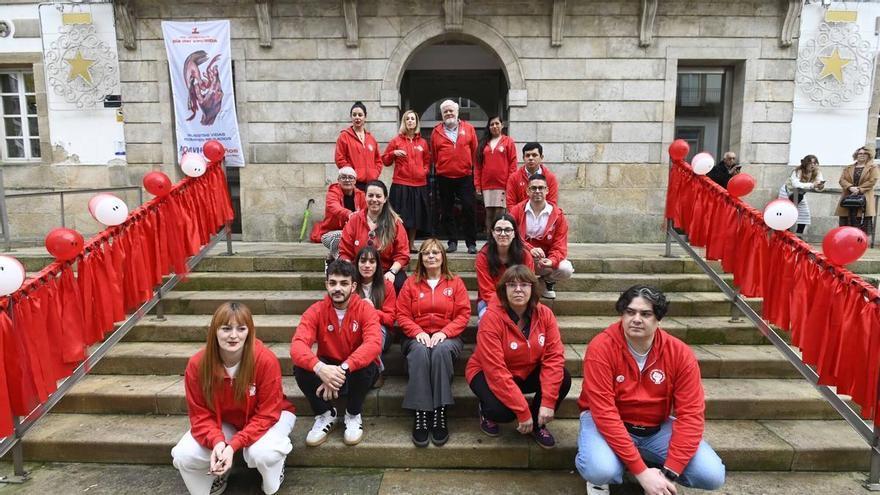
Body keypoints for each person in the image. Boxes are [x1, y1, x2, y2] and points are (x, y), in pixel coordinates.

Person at [576, 285, 726, 495]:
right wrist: (641, 473)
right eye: (630, 312)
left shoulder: (680, 353)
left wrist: (668, 474)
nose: (636, 319)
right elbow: (604, 412)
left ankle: (648, 465)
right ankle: (606, 477)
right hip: (608, 421)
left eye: (645, 314)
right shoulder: (601, 347)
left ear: (659, 319)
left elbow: (691, 415)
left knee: (711, 474)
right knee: (599, 469)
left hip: (656, 426)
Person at [172, 302, 296, 495]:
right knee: (183, 455)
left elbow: (267, 414)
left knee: (264, 454)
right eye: (226, 328)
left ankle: (276, 468)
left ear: (249, 331)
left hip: (271, 418)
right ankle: (219, 475)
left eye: (241, 328)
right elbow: (200, 415)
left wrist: (235, 445)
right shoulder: (198, 364)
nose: (233, 335)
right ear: (215, 331)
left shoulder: (265, 360)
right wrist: (219, 443)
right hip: (225, 422)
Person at [466, 265, 571, 449]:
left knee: (564, 377)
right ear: (503, 290)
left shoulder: (544, 314)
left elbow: (554, 357)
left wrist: (548, 401)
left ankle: (538, 424)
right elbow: (495, 369)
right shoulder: (492, 318)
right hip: (487, 373)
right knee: (504, 413)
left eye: (524, 284)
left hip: (526, 371)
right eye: (511, 285)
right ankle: (486, 410)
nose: (518, 290)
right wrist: (522, 411)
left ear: (533, 288)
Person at [290, 260, 382, 447]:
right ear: (326, 284)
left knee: (368, 365)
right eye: (332, 283)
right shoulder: (315, 311)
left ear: (354, 286)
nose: (337, 288)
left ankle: (353, 414)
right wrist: (320, 368)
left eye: (343, 283)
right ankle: (325, 414)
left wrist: (341, 370)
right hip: (328, 368)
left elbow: (373, 344)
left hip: (355, 371)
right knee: (300, 368)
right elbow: (297, 345)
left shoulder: (365, 309)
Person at [396, 238, 470, 447]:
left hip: (448, 337)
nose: (431, 256)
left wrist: (445, 333)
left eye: (435, 253)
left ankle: (439, 411)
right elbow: (401, 314)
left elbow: (464, 315)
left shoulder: (455, 282)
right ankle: (421, 413)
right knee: (420, 352)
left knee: (439, 351)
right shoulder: (411, 283)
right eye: (426, 253)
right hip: (415, 337)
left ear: (442, 257)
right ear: (420, 258)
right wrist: (417, 331)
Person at [509, 174, 574, 300]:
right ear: (527, 191)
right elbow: (511, 235)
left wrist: (552, 260)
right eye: (533, 188)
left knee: (566, 269)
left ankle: (547, 282)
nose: (537, 191)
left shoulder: (558, 215)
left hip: (545, 261)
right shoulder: (517, 210)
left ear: (547, 190)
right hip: (521, 257)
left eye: (541, 188)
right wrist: (529, 249)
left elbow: (559, 245)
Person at [338, 180, 410, 293]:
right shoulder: (354, 220)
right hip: (359, 269)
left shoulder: (395, 223)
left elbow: (402, 254)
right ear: (365, 197)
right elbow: (345, 252)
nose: (374, 199)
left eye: (378, 196)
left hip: (386, 270)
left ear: (385, 199)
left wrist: (392, 272)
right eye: (370, 195)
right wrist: (349, 272)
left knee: (400, 283)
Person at [430, 99, 479, 254]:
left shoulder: (469, 129)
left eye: (451, 111)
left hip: (464, 176)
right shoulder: (436, 131)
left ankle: (471, 243)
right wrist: (440, 167)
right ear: (442, 114)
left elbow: (475, 152)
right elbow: (434, 154)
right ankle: (452, 241)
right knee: (447, 210)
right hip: (444, 177)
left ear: (457, 112)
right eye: (446, 111)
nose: (449, 113)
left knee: (469, 208)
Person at [382, 109, 431, 252]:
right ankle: (399, 245)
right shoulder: (396, 141)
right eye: (407, 119)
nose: (410, 121)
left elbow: (427, 161)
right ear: (404, 122)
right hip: (401, 183)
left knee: (415, 217)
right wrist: (393, 153)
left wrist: (424, 171)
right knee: (400, 217)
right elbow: (385, 160)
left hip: (419, 185)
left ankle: (411, 244)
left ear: (416, 122)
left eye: (413, 119)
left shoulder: (423, 142)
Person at [475, 213, 534, 320]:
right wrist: (507, 309)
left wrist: (517, 306)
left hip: (520, 300)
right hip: (490, 301)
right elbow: (487, 292)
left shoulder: (525, 256)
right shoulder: (483, 256)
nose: (503, 234)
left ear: (514, 233)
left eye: (507, 230)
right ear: (492, 233)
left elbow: (530, 284)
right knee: (486, 320)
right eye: (498, 229)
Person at [354, 245, 396, 388]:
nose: (367, 265)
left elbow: (391, 319)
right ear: (357, 263)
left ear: (377, 265)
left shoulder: (386, 286)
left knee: (373, 334)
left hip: (382, 329)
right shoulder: (351, 285)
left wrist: (371, 311)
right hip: (355, 326)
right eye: (363, 261)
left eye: (372, 262)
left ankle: (378, 371)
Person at [310, 166, 366, 258]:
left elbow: (367, 211)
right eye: (343, 177)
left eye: (350, 177)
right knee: (340, 237)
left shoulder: (361, 195)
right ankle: (338, 260)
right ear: (338, 180)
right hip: (333, 231)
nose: (347, 180)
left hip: (354, 231)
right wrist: (350, 214)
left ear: (355, 181)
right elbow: (334, 206)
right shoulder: (332, 192)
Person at [475, 115, 518, 233]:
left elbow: (513, 163)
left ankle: (498, 239)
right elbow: (478, 167)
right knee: (488, 214)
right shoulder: (484, 144)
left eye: (497, 123)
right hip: (487, 185)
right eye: (491, 124)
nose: (494, 126)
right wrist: (478, 185)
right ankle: (490, 241)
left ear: (502, 125)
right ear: (488, 127)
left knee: (499, 213)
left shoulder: (508, 141)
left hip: (502, 184)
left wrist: (510, 183)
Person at [335, 101, 382, 190]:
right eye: (354, 115)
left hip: (371, 184)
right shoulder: (344, 136)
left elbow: (378, 160)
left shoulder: (371, 138)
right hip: (353, 183)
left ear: (365, 117)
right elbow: (339, 158)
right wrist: (352, 173)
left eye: (360, 115)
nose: (357, 117)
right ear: (351, 117)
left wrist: (375, 173)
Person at [835, 146, 880, 235]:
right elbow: (842, 180)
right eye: (860, 153)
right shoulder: (848, 168)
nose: (862, 155)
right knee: (846, 224)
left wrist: (859, 189)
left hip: (863, 199)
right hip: (849, 198)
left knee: (860, 225)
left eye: (864, 153)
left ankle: (859, 244)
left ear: (868, 155)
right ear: (856, 155)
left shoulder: (873, 167)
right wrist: (850, 187)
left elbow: (872, 180)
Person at [777, 154, 825, 235]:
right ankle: (785, 234)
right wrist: (812, 185)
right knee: (786, 212)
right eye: (810, 163)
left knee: (804, 213)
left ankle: (799, 235)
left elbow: (819, 182)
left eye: (814, 163)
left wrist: (820, 186)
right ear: (806, 163)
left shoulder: (817, 172)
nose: (813, 165)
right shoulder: (798, 171)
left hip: (800, 194)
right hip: (787, 192)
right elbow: (796, 184)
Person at [505, 142, 559, 211]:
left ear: (541, 157)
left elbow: (552, 204)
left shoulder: (550, 178)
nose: (530, 158)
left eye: (534, 155)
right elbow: (511, 204)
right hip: (520, 219)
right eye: (527, 155)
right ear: (523, 158)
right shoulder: (514, 178)